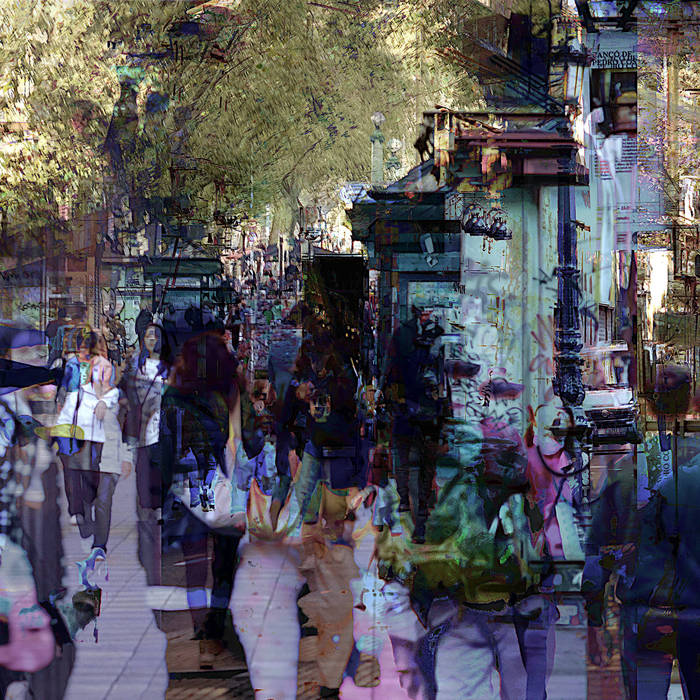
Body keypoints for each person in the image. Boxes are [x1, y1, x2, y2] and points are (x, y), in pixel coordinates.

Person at [584, 364, 700, 699]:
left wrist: (595, 620)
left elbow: (597, 554)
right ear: (690, 401)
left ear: (646, 405)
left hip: (646, 613)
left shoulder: (628, 471)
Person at [159, 332, 244, 665]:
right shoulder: (229, 390)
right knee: (223, 566)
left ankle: (200, 630)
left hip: (186, 487)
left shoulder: (174, 394)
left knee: (194, 565)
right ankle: (213, 632)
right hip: (222, 485)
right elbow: (236, 442)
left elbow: (165, 446)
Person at [53, 332, 121, 577]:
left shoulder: (111, 381)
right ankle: (83, 520)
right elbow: (64, 402)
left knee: (100, 493)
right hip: (79, 440)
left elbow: (117, 403)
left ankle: (98, 543)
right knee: (82, 488)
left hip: (104, 444)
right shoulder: (74, 377)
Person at [381, 305, 445, 542]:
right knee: (418, 464)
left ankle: (412, 508)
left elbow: (390, 368)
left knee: (414, 462)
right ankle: (417, 515)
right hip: (418, 410)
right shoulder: (428, 337)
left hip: (415, 410)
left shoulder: (406, 335)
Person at [119, 323, 171, 591]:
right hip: (142, 439)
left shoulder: (170, 369)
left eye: (156, 336)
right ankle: (147, 549)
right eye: (148, 335)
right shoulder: (134, 368)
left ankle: (160, 543)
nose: (152, 339)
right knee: (144, 498)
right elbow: (126, 404)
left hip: (165, 439)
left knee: (161, 492)